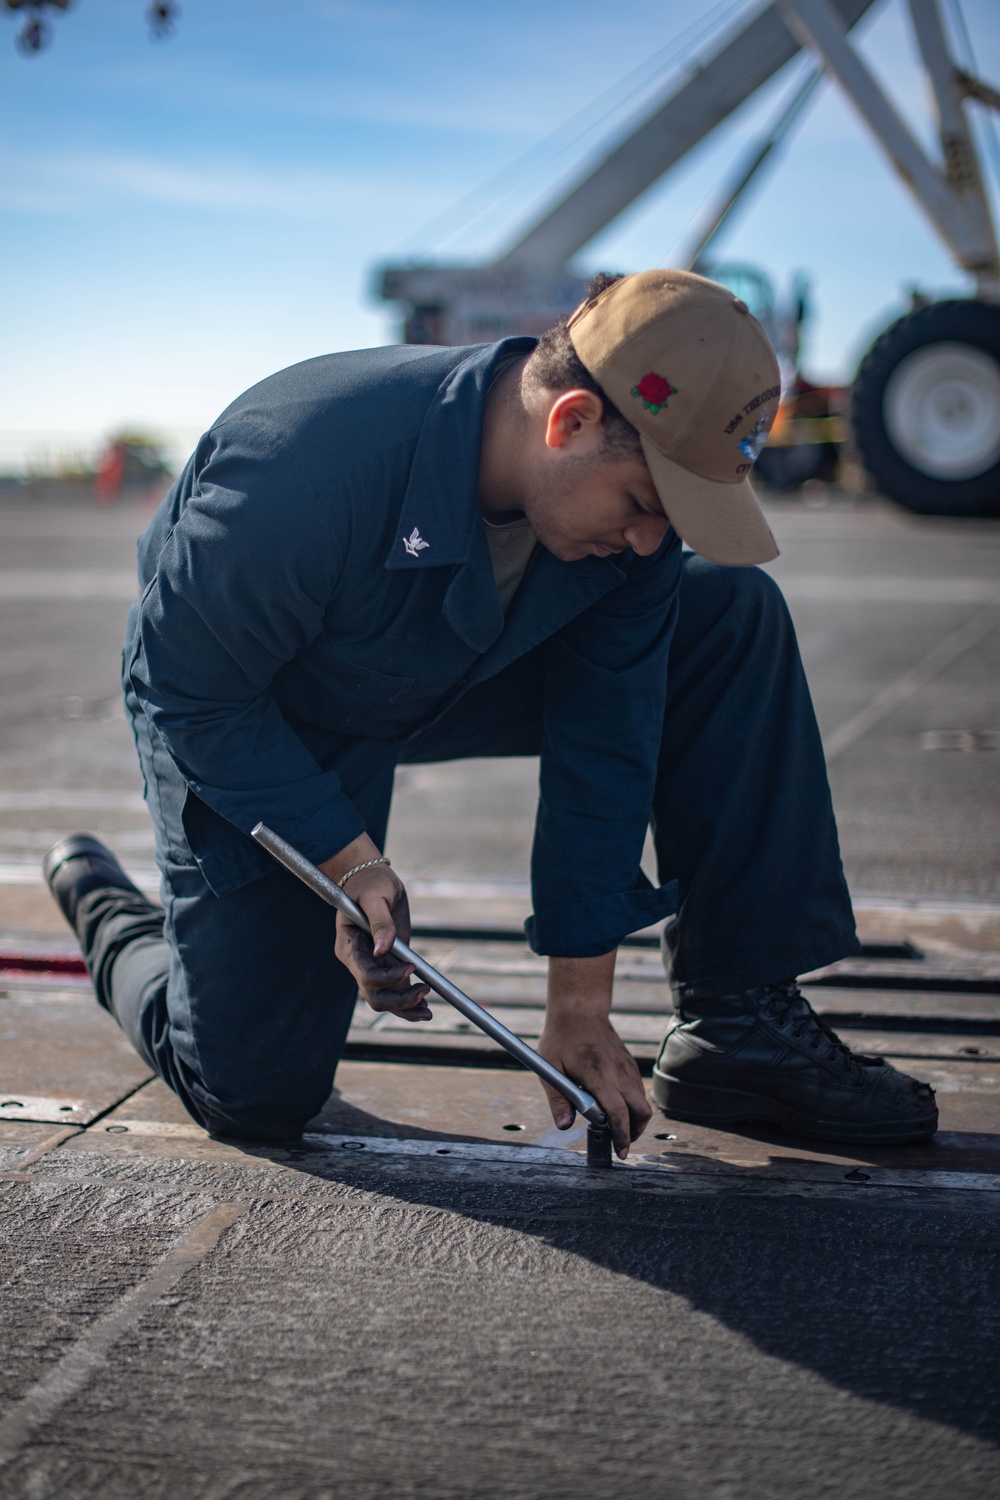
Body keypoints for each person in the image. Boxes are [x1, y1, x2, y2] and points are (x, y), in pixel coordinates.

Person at [43, 270, 937, 1158]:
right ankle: (111, 914)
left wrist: (579, 1007)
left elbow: (609, 737)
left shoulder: (630, 535)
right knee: (254, 1092)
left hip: (449, 667)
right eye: (642, 504)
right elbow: (191, 686)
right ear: (571, 420)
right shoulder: (302, 463)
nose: (648, 541)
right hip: (261, 706)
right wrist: (346, 863)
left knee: (727, 614)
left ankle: (738, 1026)